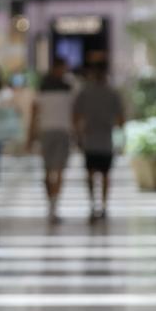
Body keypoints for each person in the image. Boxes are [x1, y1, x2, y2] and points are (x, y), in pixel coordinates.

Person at [72, 64, 125, 221]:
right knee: (105, 174)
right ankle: (103, 205)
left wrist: (79, 135)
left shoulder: (85, 93)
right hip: (105, 140)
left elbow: (75, 116)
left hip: (90, 139)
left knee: (90, 173)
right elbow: (121, 120)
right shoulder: (112, 94)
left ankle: (93, 203)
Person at [27, 58, 75, 224]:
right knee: (54, 170)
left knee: (53, 170)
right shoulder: (68, 88)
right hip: (57, 131)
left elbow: (35, 113)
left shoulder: (44, 88)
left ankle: (53, 205)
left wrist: (31, 135)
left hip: (52, 132)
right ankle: (53, 205)